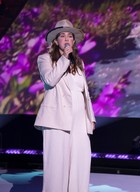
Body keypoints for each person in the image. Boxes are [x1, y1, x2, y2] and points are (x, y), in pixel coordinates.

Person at [34, 19, 96, 192]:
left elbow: (84, 93)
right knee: (57, 165)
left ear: (74, 41)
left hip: (79, 119)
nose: (67, 39)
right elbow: (50, 80)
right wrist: (64, 58)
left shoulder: (79, 63)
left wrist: (90, 118)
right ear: (55, 41)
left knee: (80, 163)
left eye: (70, 36)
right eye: (62, 36)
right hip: (57, 118)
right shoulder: (45, 59)